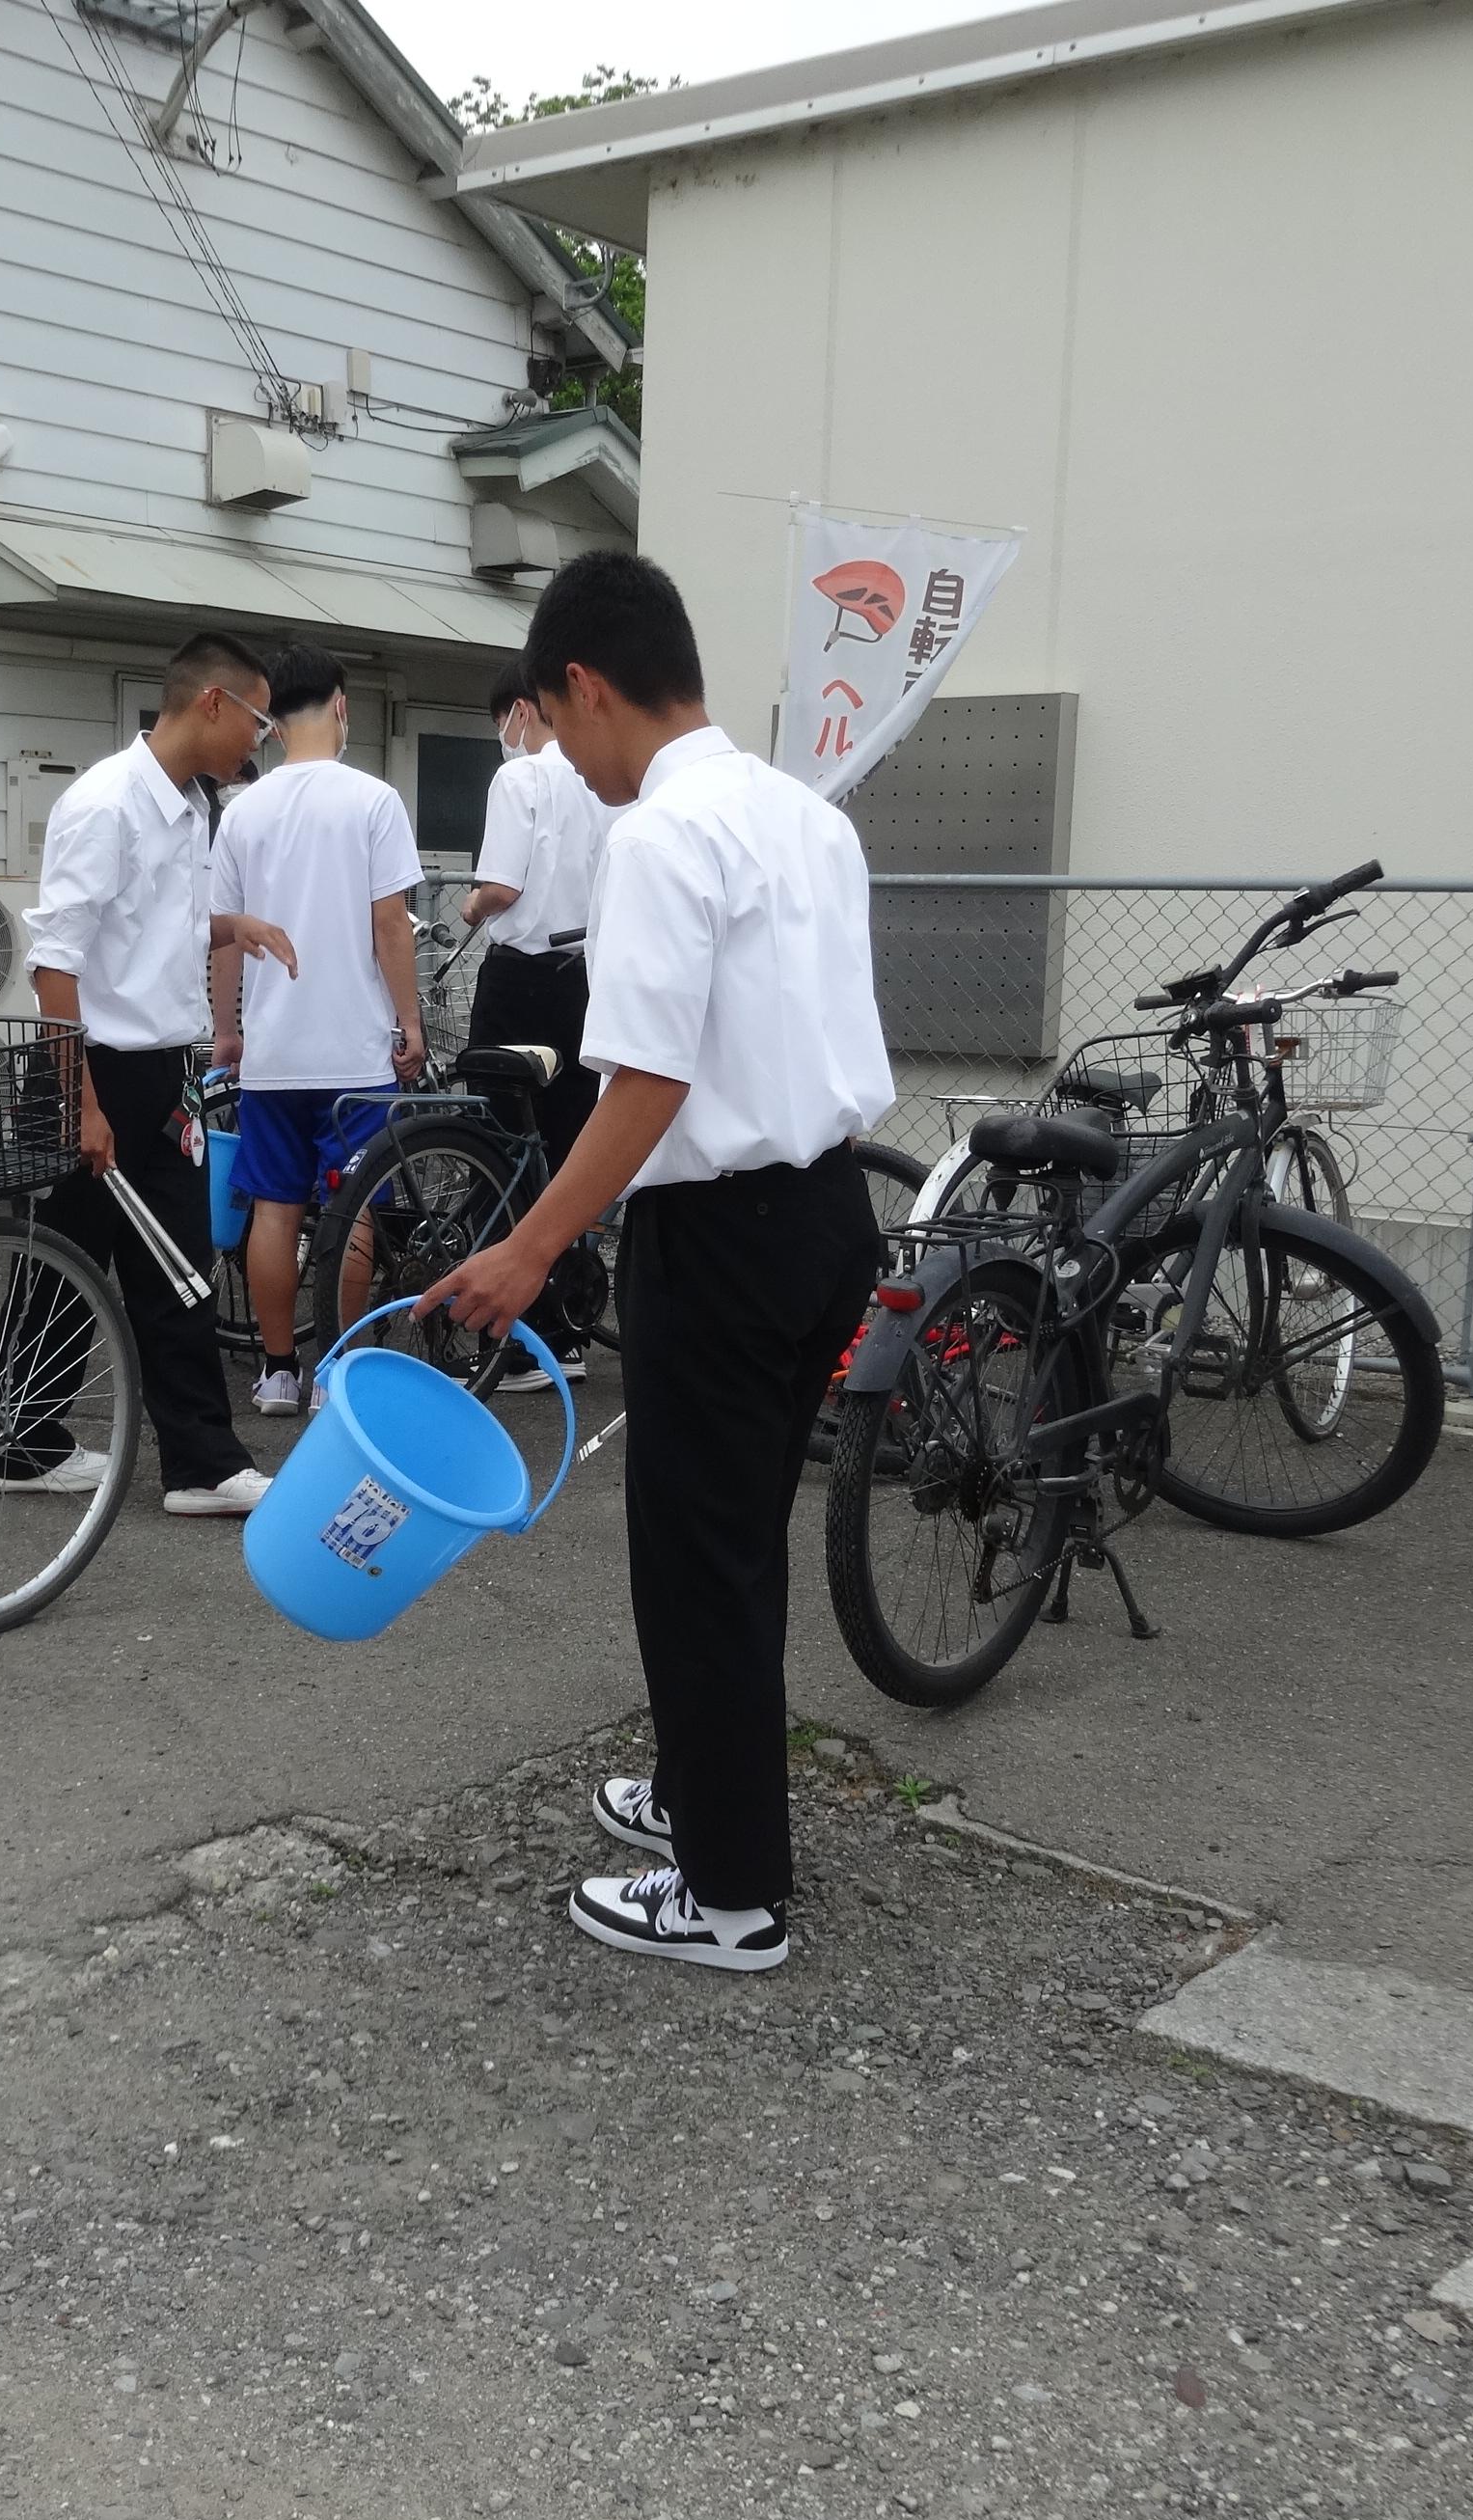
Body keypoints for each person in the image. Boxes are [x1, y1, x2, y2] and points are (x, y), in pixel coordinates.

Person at [421, 552, 892, 1974]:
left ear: (582, 685)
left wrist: (525, 1249)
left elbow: (646, 1086)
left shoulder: (655, 840)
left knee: (699, 1557)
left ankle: (732, 1895)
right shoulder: (805, 818)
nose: (561, 758)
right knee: (735, 1534)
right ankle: (701, 1789)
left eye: (555, 727)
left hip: (722, 1235)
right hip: (826, 1218)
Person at [5, 631, 296, 1517]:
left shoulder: (185, 802)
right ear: (213, 702)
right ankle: (191, 1462)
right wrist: (82, 1099)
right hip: (96, 1072)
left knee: (90, 1263)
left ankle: (36, 1442)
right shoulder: (108, 804)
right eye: (258, 718)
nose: (262, 738)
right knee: (141, 1266)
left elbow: (148, 935)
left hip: (153, 1070)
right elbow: (55, 961)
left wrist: (231, 926)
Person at [207, 641, 425, 1413]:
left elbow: (226, 933)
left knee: (275, 1207)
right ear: (341, 705)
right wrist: (409, 1022)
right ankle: (336, 1369)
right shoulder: (372, 801)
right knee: (353, 1203)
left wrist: (225, 1030)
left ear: (272, 716)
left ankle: (274, 1372)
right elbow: (391, 927)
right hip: (353, 1048)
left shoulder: (241, 812)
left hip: (273, 1051)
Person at [459, 654, 615, 1386]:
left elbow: (503, 885)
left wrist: (468, 905)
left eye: (500, 720)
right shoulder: (598, 778)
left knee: (498, 1150)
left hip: (519, 982)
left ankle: (516, 1340)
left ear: (522, 711)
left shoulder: (518, 775)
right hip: (583, 981)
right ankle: (569, 1329)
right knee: (568, 1151)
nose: (502, 734)